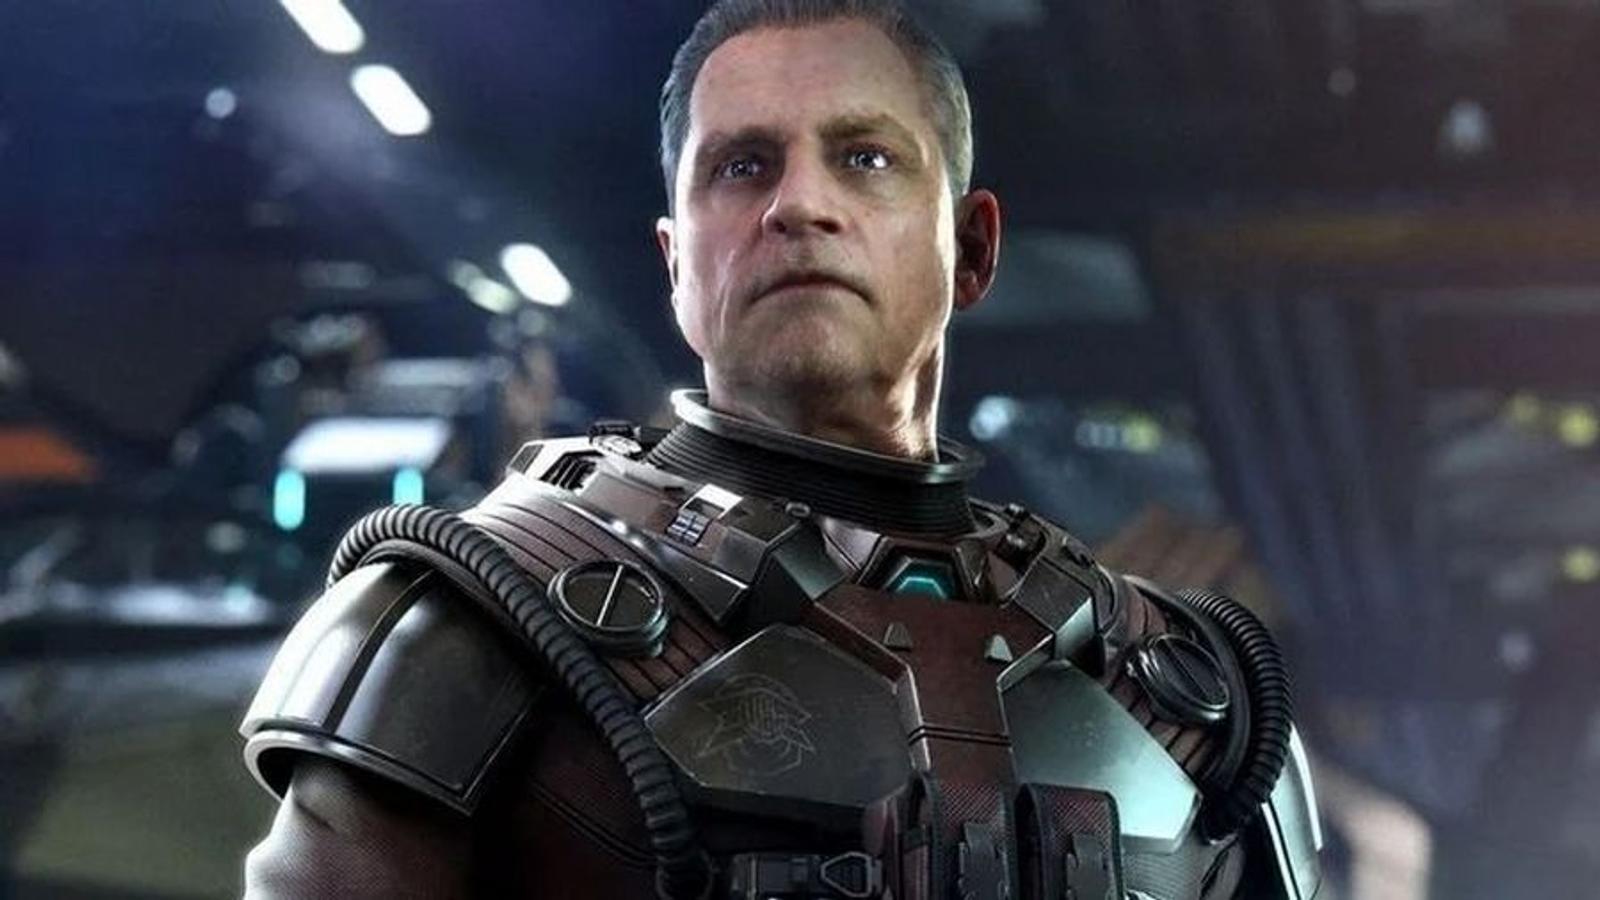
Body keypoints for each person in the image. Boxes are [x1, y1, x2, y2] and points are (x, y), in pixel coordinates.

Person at [238, 1, 1322, 897]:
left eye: (865, 158)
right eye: (743, 166)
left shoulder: (1182, 693)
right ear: (676, 265)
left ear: (971, 246)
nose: (800, 204)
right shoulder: (472, 623)